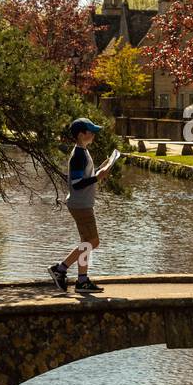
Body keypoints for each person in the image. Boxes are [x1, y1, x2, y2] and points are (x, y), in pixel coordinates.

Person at [48, 118, 111, 293]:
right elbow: (77, 183)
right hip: (81, 205)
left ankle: (82, 281)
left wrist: (100, 170)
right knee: (93, 241)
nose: (93, 134)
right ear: (81, 134)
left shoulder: (83, 151)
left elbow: (84, 177)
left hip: (82, 203)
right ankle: (60, 269)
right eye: (90, 131)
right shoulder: (79, 155)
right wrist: (98, 177)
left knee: (86, 242)